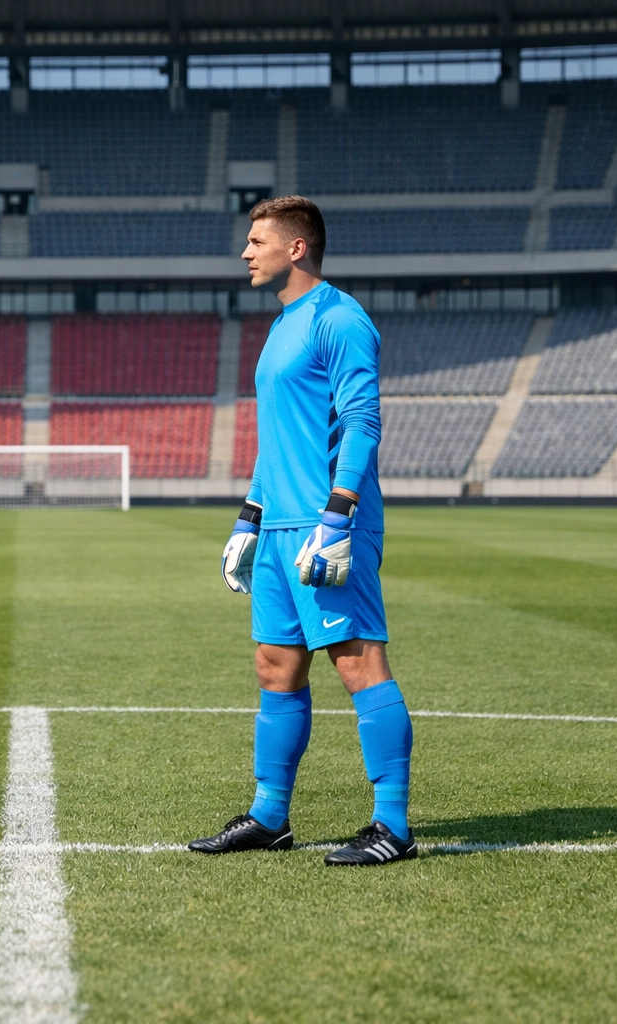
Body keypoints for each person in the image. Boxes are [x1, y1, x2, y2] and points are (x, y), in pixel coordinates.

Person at [190, 195, 416, 866]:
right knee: (275, 667)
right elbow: (277, 439)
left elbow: (363, 421)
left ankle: (394, 826)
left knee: (357, 663)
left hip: (327, 525)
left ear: (296, 248)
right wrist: (250, 517)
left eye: (257, 240)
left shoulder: (340, 319)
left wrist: (340, 513)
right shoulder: (282, 326)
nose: (245, 251)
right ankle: (269, 816)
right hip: (281, 526)